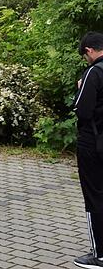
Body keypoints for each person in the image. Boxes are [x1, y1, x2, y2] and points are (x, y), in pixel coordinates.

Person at [72, 32, 103, 268]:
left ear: (89, 50)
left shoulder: (94, 72)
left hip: (93, 142)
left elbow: (81, 109)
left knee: (94, 196)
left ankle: (100, 254)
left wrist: (80, 88)